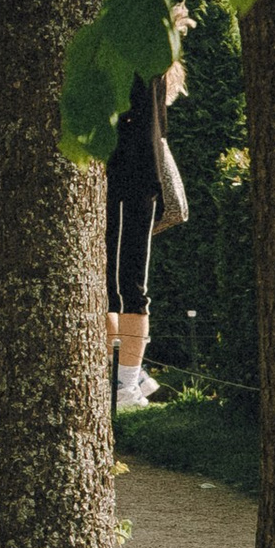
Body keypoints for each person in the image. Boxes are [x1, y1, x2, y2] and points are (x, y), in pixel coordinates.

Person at [106, 21, 189, 408]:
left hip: (130, 179)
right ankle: (130, 376)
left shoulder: (136, 62)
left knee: (121, 291)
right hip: (137, 179)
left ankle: (125, 384)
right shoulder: (155, 60)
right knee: (120, 288)